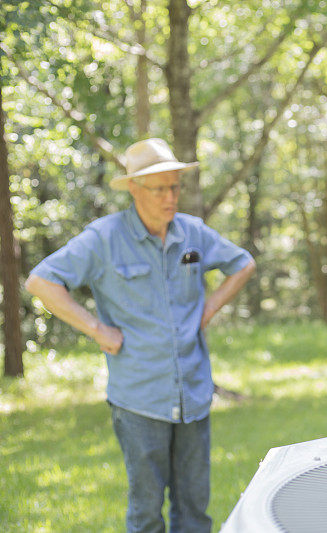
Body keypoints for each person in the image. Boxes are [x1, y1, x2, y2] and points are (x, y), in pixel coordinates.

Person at [25, 138, 256, 532]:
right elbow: (41, 281)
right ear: (134, 189)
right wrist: (97, 329)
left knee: (195, 511)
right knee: (147, 513)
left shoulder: (192, 233)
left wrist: (210, 307)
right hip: (139, 398)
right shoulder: (104, 238)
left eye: (175, 187)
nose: (170, 198)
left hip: (194, 394)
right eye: (159, 189)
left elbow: (243, 264)